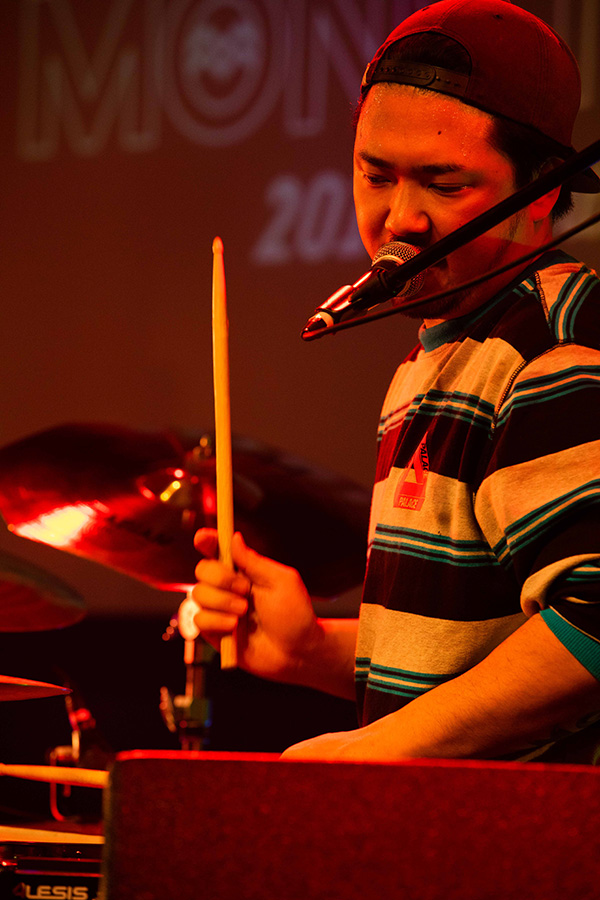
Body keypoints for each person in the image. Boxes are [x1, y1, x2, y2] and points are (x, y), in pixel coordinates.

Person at [192, 0, 600, 763]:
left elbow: (594, 619)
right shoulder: (438, 355)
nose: (399, 219)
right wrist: (313, 650)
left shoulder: (550, 351)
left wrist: (376, 752)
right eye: (375, 175)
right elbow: (471, 651)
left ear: (544, 187)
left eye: (443, 183)